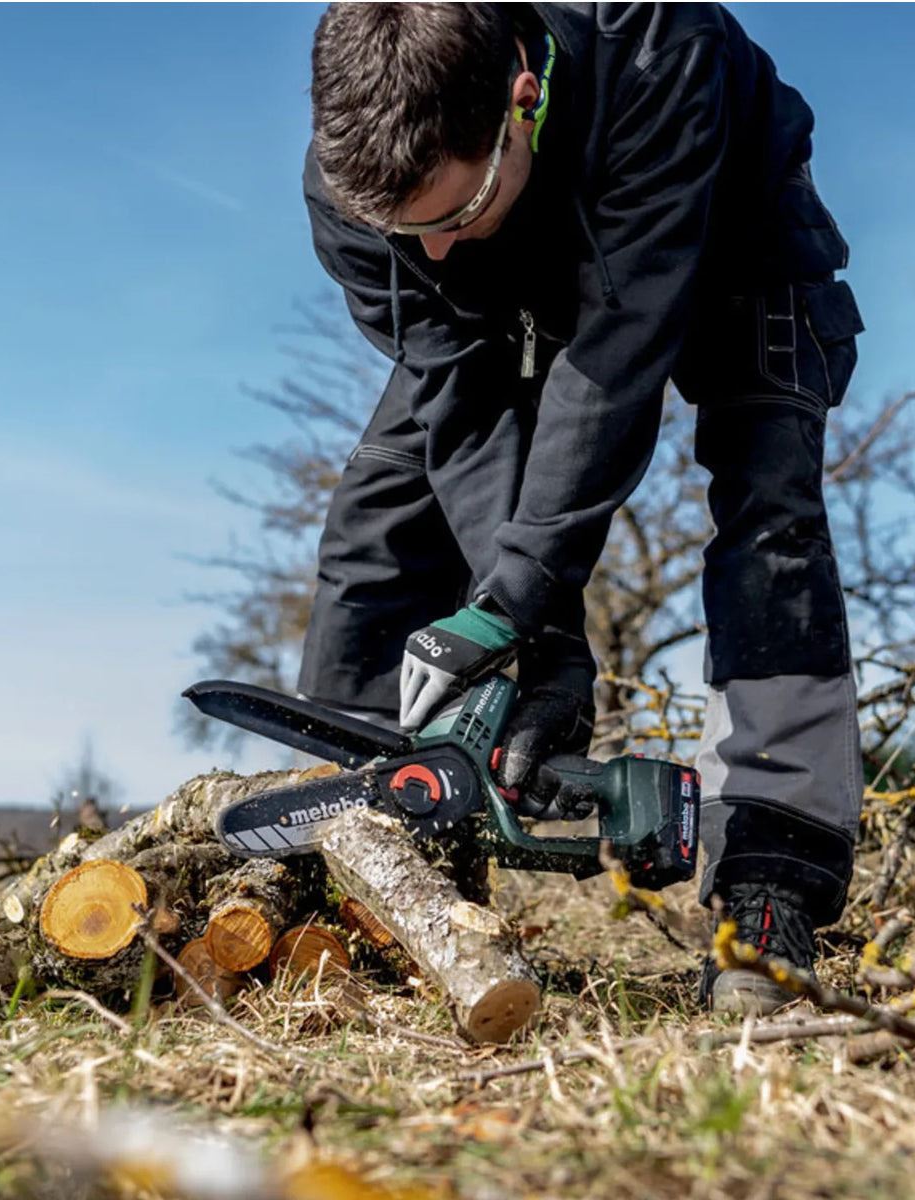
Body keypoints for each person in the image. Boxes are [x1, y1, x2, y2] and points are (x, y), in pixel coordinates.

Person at [297, 2, 864, 1014]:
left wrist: (522, 588)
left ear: (523, 101)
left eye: (449, 218)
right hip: (523, 273)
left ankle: (770, 885)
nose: (426, 255)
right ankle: (363, 868)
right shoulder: (361, 181)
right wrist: (532, 631)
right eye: (401, 232)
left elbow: (615, 363)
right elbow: (456, 390)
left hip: (729, 228)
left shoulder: (653, 45)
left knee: (770, 518)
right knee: (376, 531)